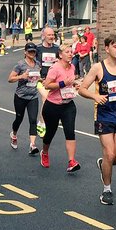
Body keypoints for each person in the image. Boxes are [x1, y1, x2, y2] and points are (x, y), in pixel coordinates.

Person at [79, 35, 116, 205]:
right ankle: (107, 190)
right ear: (107, 48)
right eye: (115, 46)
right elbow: (82, 89)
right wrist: (95, 96)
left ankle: (104, 164)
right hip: (104, 115)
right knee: (110, 153)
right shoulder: (98, 68)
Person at [40, 44, 80, 173]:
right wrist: (63, 83)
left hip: (68, 105)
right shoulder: (55, 68)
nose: (70, 54)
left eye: (71, 51)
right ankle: (45, 152)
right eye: (67, 52)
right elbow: (47, 85)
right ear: (60, 54)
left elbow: (70, 82)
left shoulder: (72, 67)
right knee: (50, 133)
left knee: (70, 132)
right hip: (53, 105)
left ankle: (71, 161)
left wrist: (74, 85)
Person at [9, 44, 42, 155]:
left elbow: (38, 78)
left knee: (33, 120)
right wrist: (21, 77)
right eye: (30, 51)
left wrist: (41, 80)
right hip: (21, 96)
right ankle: (14, 134)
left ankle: (32, 145)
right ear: (25, 52)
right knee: (19, 118)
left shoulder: (37, 64)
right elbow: (10, 79)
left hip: (33, 96)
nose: (32, 53)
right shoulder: (20, 64)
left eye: (33, 51)